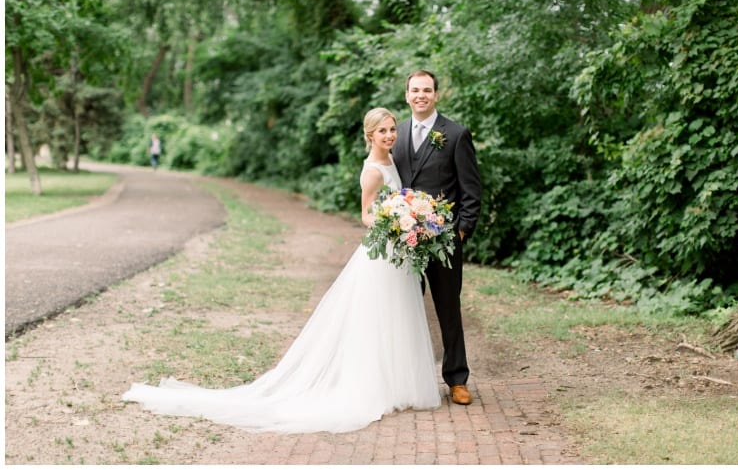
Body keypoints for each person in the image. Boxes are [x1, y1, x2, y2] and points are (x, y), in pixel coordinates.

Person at [122, 108, 441, 434]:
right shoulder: (373, 171)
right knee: (374, 318)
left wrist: (411, 218)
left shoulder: (392, 161)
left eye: (391, 129)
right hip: (380, 253)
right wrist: (396, 222)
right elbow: (365, 215)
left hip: (396, 254)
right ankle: (372, 385)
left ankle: (395, 383)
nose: (389, 135)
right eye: (382, 131)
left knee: (394, 315)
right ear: (369, 135)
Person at [392, 70, 481, 406]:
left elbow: (471, 190)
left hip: (444, 242)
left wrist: (460, 230)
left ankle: (457, 380)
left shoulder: (456, 134)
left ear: (436, 95)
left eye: (427, 90)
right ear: (406, 95)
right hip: (404, 243)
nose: (421, 96)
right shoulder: (394, 133)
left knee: (448, 310)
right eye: (415, 90)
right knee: (404, 309)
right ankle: (406, 380)